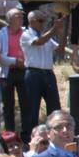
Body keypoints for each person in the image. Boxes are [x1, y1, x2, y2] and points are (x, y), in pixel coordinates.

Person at [20, 9, 64, 140]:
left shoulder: (46, 36)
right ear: (31, 21)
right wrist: (54, 29)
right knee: (32, 110)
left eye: (43, 21)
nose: (43, 24)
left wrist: (60, 32)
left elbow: (60, 50)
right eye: (40, 21)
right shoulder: (26, 34)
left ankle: (56, 137)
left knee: (55, 108)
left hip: (48, 74)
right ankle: (29, 139)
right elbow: (39, 42)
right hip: (33, 74)